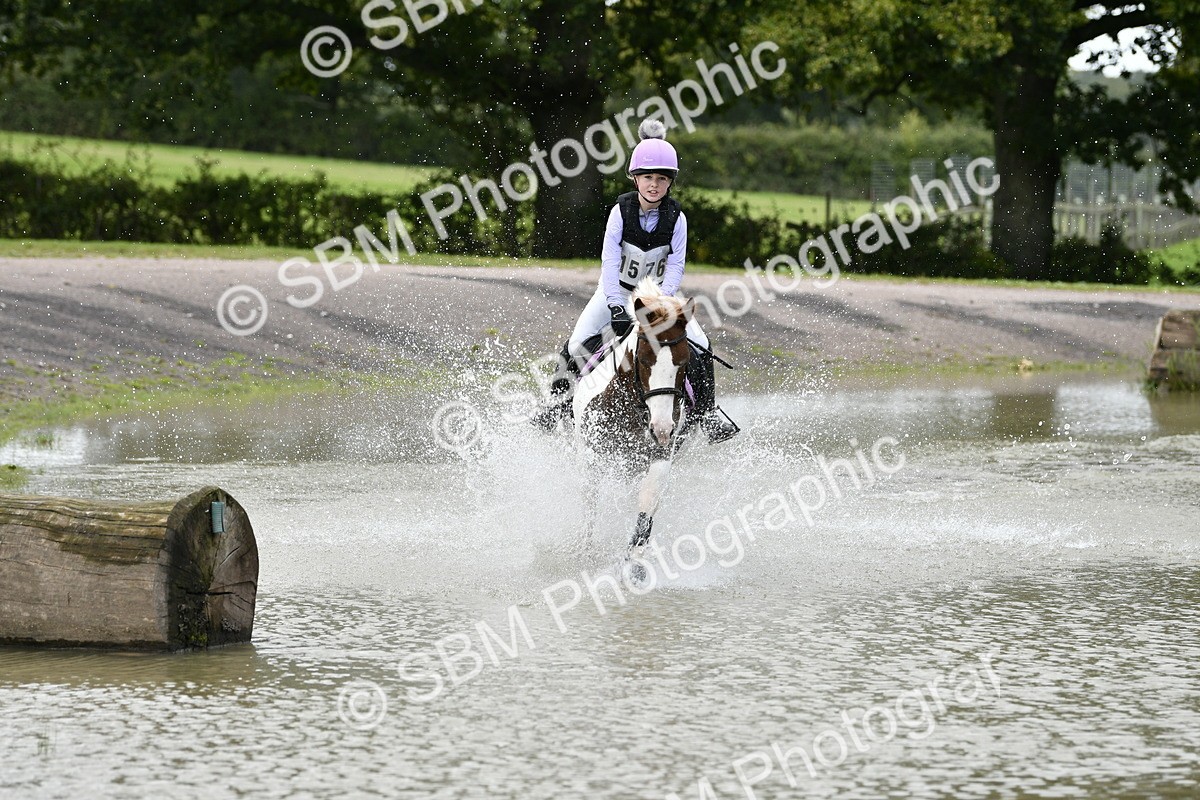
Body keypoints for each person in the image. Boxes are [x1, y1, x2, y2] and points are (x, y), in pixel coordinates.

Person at [531, 118, 739, 443]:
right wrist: (615, 306)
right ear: (635, 178)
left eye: (661, 178)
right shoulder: (619, 212)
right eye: (647, 177)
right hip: (615, 292)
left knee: (701, 345)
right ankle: (556, 405)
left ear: (670, 182)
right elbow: (609, 264)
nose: (653, 184)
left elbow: (676, 267)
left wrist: (661, 307)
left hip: (660, 297)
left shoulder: (678, 219)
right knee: (575, 344)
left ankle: (707, 414)